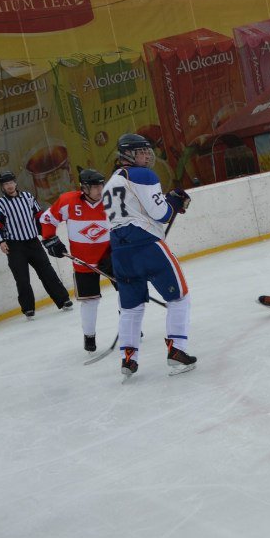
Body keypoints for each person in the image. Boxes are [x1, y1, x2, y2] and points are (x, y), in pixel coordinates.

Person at [104, 133, 196, 377]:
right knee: (180, 297)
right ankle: (177, 350)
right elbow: (161, 214)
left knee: (131, 307)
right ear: (129, 154)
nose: (147, 155)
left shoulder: (110, 182)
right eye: (142, 151)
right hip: (146, 245)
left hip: (120, 251)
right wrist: (174, 203)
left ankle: (128, 359)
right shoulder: (143, 175)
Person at [40, 168, 114, 352]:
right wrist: (50, 239)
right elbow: (47, 219)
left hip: (112, 257)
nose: (99, 190)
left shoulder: (112, 201)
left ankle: (130, 327)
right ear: (84, 188)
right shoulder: (68, 201)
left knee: (127, 292)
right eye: (95, 186)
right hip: (84, 262)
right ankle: (89, 337)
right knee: (90, 301)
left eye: (101, 185)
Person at [0, 170, 73, 318]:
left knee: (47, 272)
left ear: (15, 183)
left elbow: (39, 217)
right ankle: (28, 308)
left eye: (11, 182)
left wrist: (47, 235)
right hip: (15, 247)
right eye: (5, 184)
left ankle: (63, 299)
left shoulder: (28, 197)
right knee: (22, 279)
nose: (9, 186)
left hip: (33, 243)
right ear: (2, 187)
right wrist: (1, 242)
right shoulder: (0, 204)